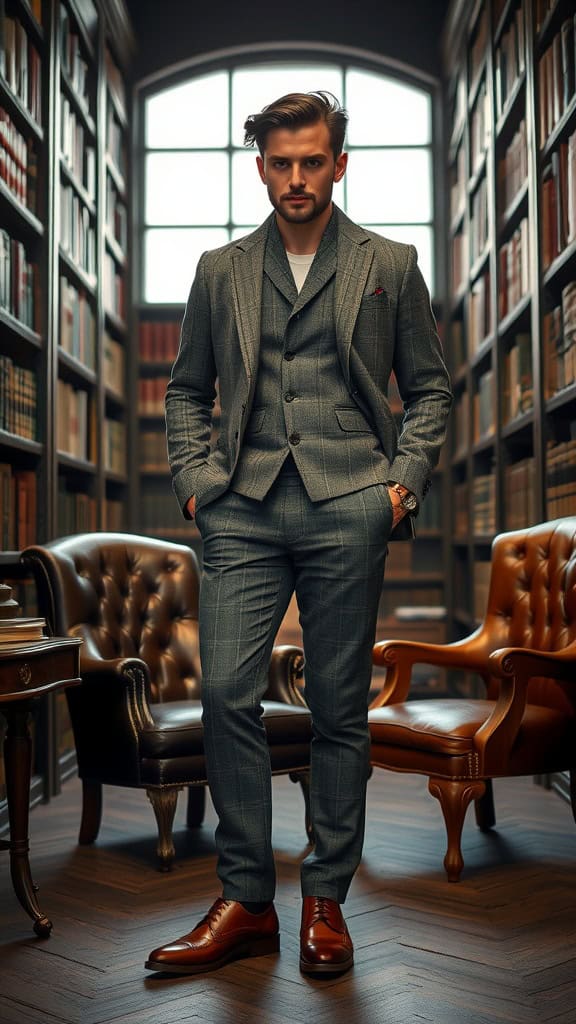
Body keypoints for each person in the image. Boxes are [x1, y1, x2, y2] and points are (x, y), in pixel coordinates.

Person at [146, 91, 452, 978]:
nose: (296, 179)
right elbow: (183, 391)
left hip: (351, 500)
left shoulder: (388, 261)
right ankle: (246, 899)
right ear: (261, 169)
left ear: (340, 164)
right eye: (280, 164)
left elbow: (428, 390)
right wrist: (202, 487)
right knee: (229, 692)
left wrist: (399, 487)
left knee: (337, 707)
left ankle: (324, 899)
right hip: (241, 505)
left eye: (311, 161)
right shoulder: (220, 269)